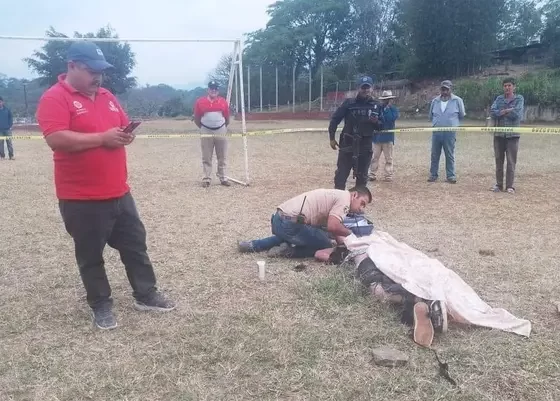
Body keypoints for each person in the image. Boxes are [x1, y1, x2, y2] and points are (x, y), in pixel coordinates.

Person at [36, 40, 175, 330]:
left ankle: (146, 294)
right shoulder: (55, 97)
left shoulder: (107, 95)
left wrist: (125, 135)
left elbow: (119, 126)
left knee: (135, 245)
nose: (97, 77)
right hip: (81, 197)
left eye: (100, 71)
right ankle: (100, 303)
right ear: (72, 66)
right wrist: (102, 138)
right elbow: (56, 138)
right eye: (91, 70)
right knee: (91, 255)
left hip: (119, 191)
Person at [237, 186, 372, 258]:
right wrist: (350, 234)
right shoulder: (345, 199)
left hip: (278, 219)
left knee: (309, 235)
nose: (361, 208)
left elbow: (334, 227)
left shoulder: (337, 194)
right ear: (354, 195)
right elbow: (333, 226)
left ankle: (252, 245)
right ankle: (287, 252)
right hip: (290, 224)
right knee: (325, 244)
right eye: (362, 203)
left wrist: (341, 243)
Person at [329, 76, 384, 190]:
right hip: (347, 144)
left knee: (362, 179)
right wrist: (332, 138)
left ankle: (358, 201)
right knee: (340, 177)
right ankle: (338, 199)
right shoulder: (349, 103)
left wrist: (376, 122)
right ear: (358, 88)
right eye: (363, 87)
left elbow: (381, 126)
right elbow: (335, 119)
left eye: (367, 87)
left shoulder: (376, 105)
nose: (365, 90)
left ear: (372, 88)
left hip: (365, 145)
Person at [489, 78, 524, 194]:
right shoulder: (499, 98)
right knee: (499, 161)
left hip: (513, 136)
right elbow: (492, 112)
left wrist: (501, 112)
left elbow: (517, 114)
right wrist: (506, 111)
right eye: (505, 86)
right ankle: (498, 185)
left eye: (509, 85)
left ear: (514, 87)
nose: (507, 88)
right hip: (499, 135)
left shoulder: (519, 98)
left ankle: (509, 186)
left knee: (511, 161)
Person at [193, 81, 231, 188]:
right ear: (208, 90)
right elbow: (197, 118)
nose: (213, 90)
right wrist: (203, 128)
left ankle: (223, 177)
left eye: (215, 88)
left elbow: (227, 117)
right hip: (206, 130)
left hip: (221, 130)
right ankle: (206, 178)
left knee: (222, 156)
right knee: (206, 156)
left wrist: (222, 128)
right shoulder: (200, 102)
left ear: (218, 90)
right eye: (211, 88)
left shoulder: (223, 102)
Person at [428, 80, 466, 183]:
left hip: (450, 132)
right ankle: (433, 175)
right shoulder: (435, 101)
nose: (444, 92)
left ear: (450, 89)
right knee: (434, 154)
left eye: (446, 89)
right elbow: (431, 115)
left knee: (449, 154)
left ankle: (450, 176)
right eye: (443, 89)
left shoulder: (458, 100)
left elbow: (461, 115)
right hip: (436, 132)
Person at [369, 90, 399, 182]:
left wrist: (387, 109)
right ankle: (372, 174)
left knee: (389, 159)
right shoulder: (377, 108)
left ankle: (388, 175)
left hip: (388, 138)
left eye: (388, 99)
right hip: (376, 138)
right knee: (374, 158)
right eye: (385, 99)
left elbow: (391, 119)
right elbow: (373, 119)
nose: (386, 101)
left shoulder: (394, 109)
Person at [0, 96, 15, 160]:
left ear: (2, 102)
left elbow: (11, 118)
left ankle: (11, 156)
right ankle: (2, 156)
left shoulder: (7, 110)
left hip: (7, 129)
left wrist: (10, 126)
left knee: (9, 143)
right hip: (0, 130)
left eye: (0, 102)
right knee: (0, 144)